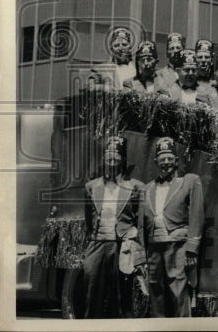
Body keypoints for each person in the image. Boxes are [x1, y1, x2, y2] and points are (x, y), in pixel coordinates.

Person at [140, 137, 204, 318]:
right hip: (154, 247)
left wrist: (192, 247)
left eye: (169, 159)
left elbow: (196, 215)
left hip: (177, 246)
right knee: (156, 293)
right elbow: (140, 224)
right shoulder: (147, 189)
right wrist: (139, 254)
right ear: (156, 163)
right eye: (162, 159)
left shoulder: (189, 182)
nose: (166, 163)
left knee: (178, 293)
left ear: (176, 161)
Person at [82, 136, 143, 319]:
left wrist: (133, 243)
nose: (111, 159)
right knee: (92, 293)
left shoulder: (135, 187)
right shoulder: (91, 186)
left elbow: (139, 221)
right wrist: (93, 241)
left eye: (116, 155)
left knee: (121, 298)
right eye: (108, 155)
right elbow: (88, 219)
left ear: (123, 160)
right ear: (103, 158)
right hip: (98, 244)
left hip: (120, 246)